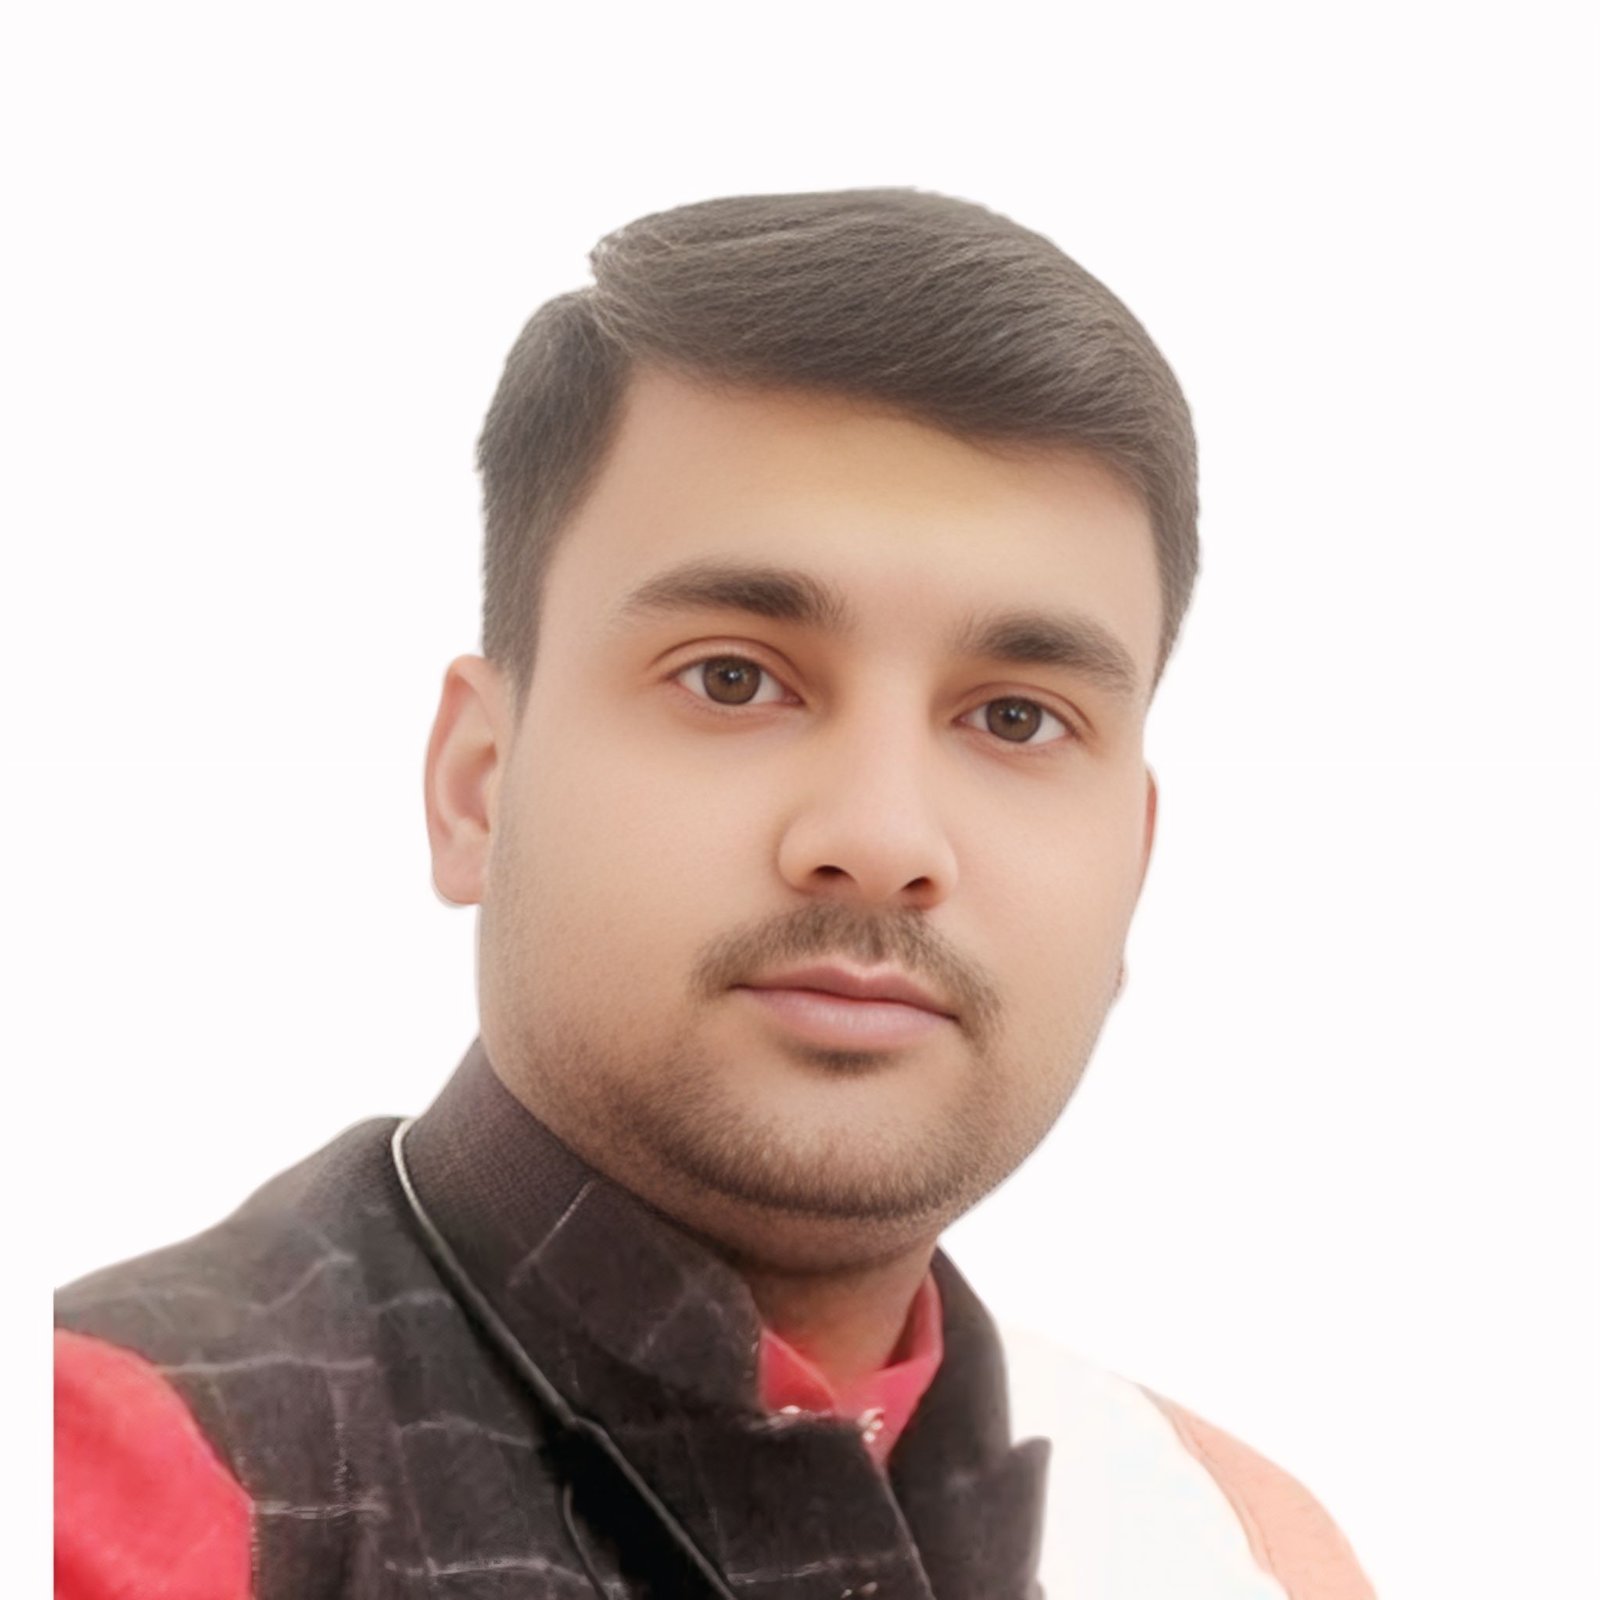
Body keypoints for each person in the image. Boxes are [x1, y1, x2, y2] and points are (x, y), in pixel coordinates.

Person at [54, 187, 1375, 1599]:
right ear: (477, 786)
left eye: (1015, 719)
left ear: (1136, 865)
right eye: (734, 679)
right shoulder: (108, 1482)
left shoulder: (1237, 1548)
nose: (881, 837)